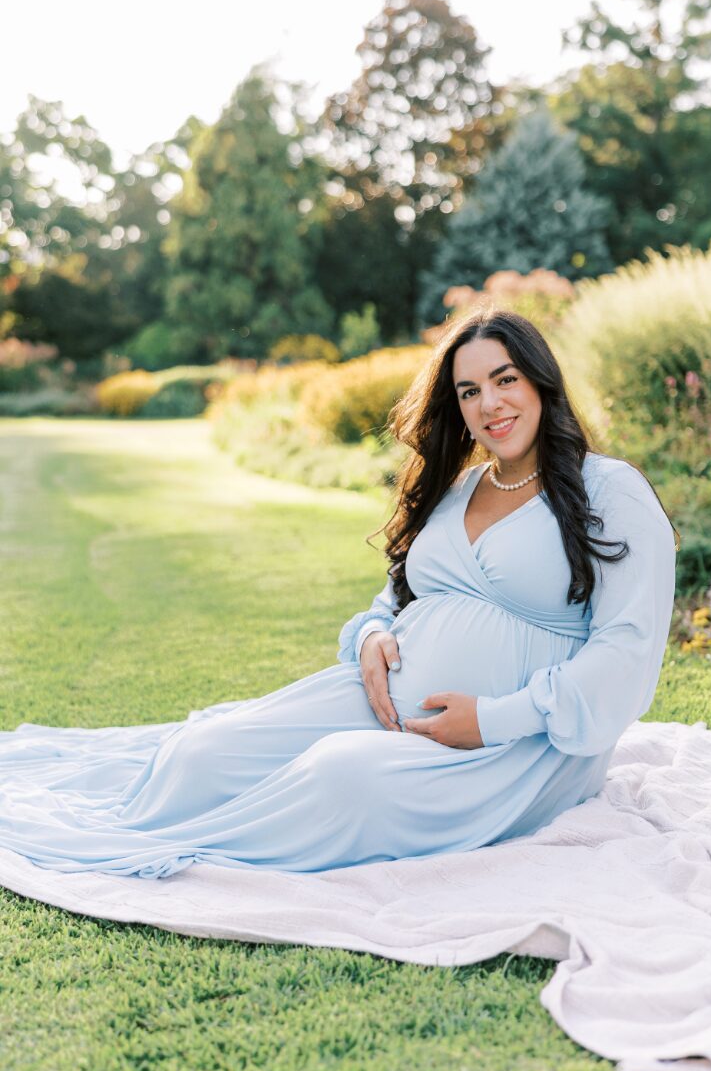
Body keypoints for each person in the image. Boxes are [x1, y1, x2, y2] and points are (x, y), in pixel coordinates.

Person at [0, 308, 676, 878]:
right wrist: (373, 638)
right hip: (381, 700)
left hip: (523, 747)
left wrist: (493, 719)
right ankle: (156, 827)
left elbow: (625, 657)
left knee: (340, 779)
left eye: (505, 379)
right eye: (469, 392)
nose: (489, 404)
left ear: (541, 381)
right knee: (202, 756)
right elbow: (395, 598)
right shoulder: (461, 488)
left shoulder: (611, 493)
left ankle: (195, 851)